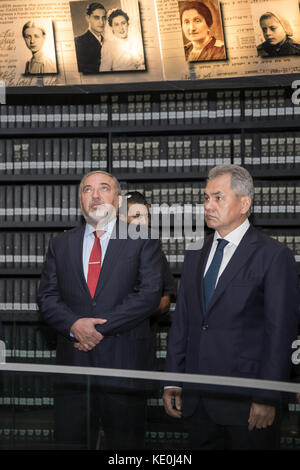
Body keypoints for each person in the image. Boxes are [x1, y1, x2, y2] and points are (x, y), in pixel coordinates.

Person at [163, 164, 300, 450]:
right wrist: (172, 380)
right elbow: (184, 323)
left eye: (217, 198)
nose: (208, 205)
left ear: (244, 203)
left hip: (247, 404)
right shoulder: (194, 253)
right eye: (205, 198)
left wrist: (267, 396)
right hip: (198, 401)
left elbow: (280, 333)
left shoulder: (273, 256)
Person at [37, 171, 163, 450]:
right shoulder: (60, 244)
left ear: (117, 200)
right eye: (87, 190)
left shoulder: (142, 238)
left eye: (103, 188)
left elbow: (149, 295)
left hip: (125, 366)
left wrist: (95, 327)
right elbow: (46, 297)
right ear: (80, 200)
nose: (95, 195)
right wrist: (73, 326)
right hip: (74, 369)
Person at [119, 191, 177, 357]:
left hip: (142, 340)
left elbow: (165, 300)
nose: (143, 222)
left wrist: (126, 314)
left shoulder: (153, 251)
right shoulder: (105, 250)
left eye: (146, 216)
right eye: (136, 216)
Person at [74, 2, 107, 74]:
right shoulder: (79, 42)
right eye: (96, 18)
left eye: (103, 18)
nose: (101, 22)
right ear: (88, 18)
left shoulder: (107, 41)